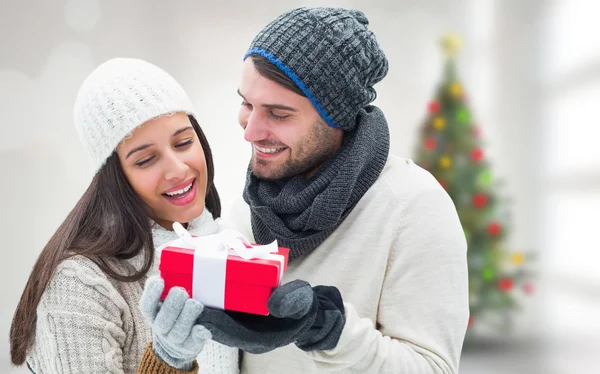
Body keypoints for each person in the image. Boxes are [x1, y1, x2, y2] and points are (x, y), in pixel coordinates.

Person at [225, 7, 469, 373]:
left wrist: (335, 333)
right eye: (247, 103)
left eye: (278, 113)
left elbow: (433, 367)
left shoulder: (414, 208)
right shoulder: (251, 205)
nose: (250, 131)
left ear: (335, 117)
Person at [9, 58, 240, 373]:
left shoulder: (228, 244)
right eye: (145, 160)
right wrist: (167, 362)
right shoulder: (80, 284)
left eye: (184, 142)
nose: (178, 169)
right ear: (115, 178)